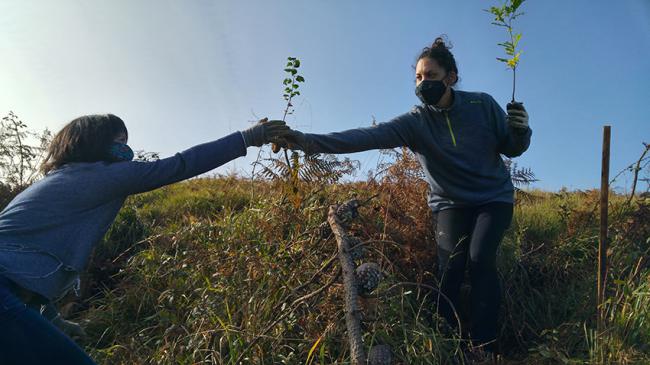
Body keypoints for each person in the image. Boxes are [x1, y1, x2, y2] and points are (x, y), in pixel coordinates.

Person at [274, 37, 531, 360]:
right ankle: (445, 342)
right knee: (449, 269)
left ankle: (484, 349)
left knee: (480, 260)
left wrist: (520, 131)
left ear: (450, 77)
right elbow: (364, 137)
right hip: (450, 203)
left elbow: (511, 147)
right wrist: (304, 141)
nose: (423, 84)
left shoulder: (482, 105)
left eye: (431, 76)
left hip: (492, 198)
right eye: (418, 78)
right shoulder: (416, 122)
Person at [0, 114, 289, 364]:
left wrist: (52, 318)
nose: (126, 148)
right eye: (119, 140)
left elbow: (23, 257)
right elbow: (180, 165)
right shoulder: (101, 176)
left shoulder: (61, 179)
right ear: (95, 141)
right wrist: (247, 138)